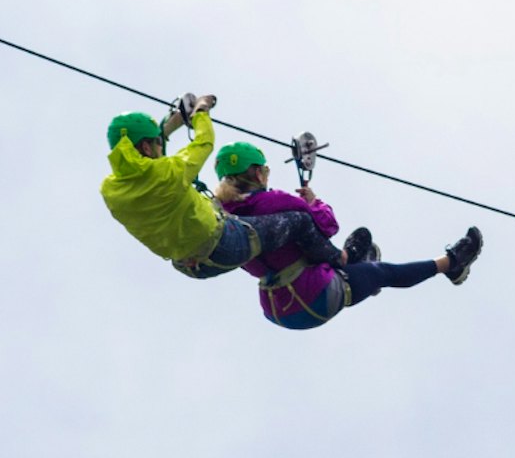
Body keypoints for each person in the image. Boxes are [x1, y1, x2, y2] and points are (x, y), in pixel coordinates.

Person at [212, 141, 483, 330]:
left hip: (275, 307)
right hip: (312, 298)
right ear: (258, 172)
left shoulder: (223, 217)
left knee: (347, 258)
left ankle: (357, 267)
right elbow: (328, 225)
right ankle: (452, 264)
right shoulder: (273, 202)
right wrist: (314, 202)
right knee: (382, 272)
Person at [100, 97, 343, 279]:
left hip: (190, 266)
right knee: (300, 222)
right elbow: (203, 142)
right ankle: (343, 259)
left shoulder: (110, 190)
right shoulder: (170, 172)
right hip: (221, 245)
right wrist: (201, 112)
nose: (160, 148)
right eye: (155, 143)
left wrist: (168, 127)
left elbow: (145, 169)